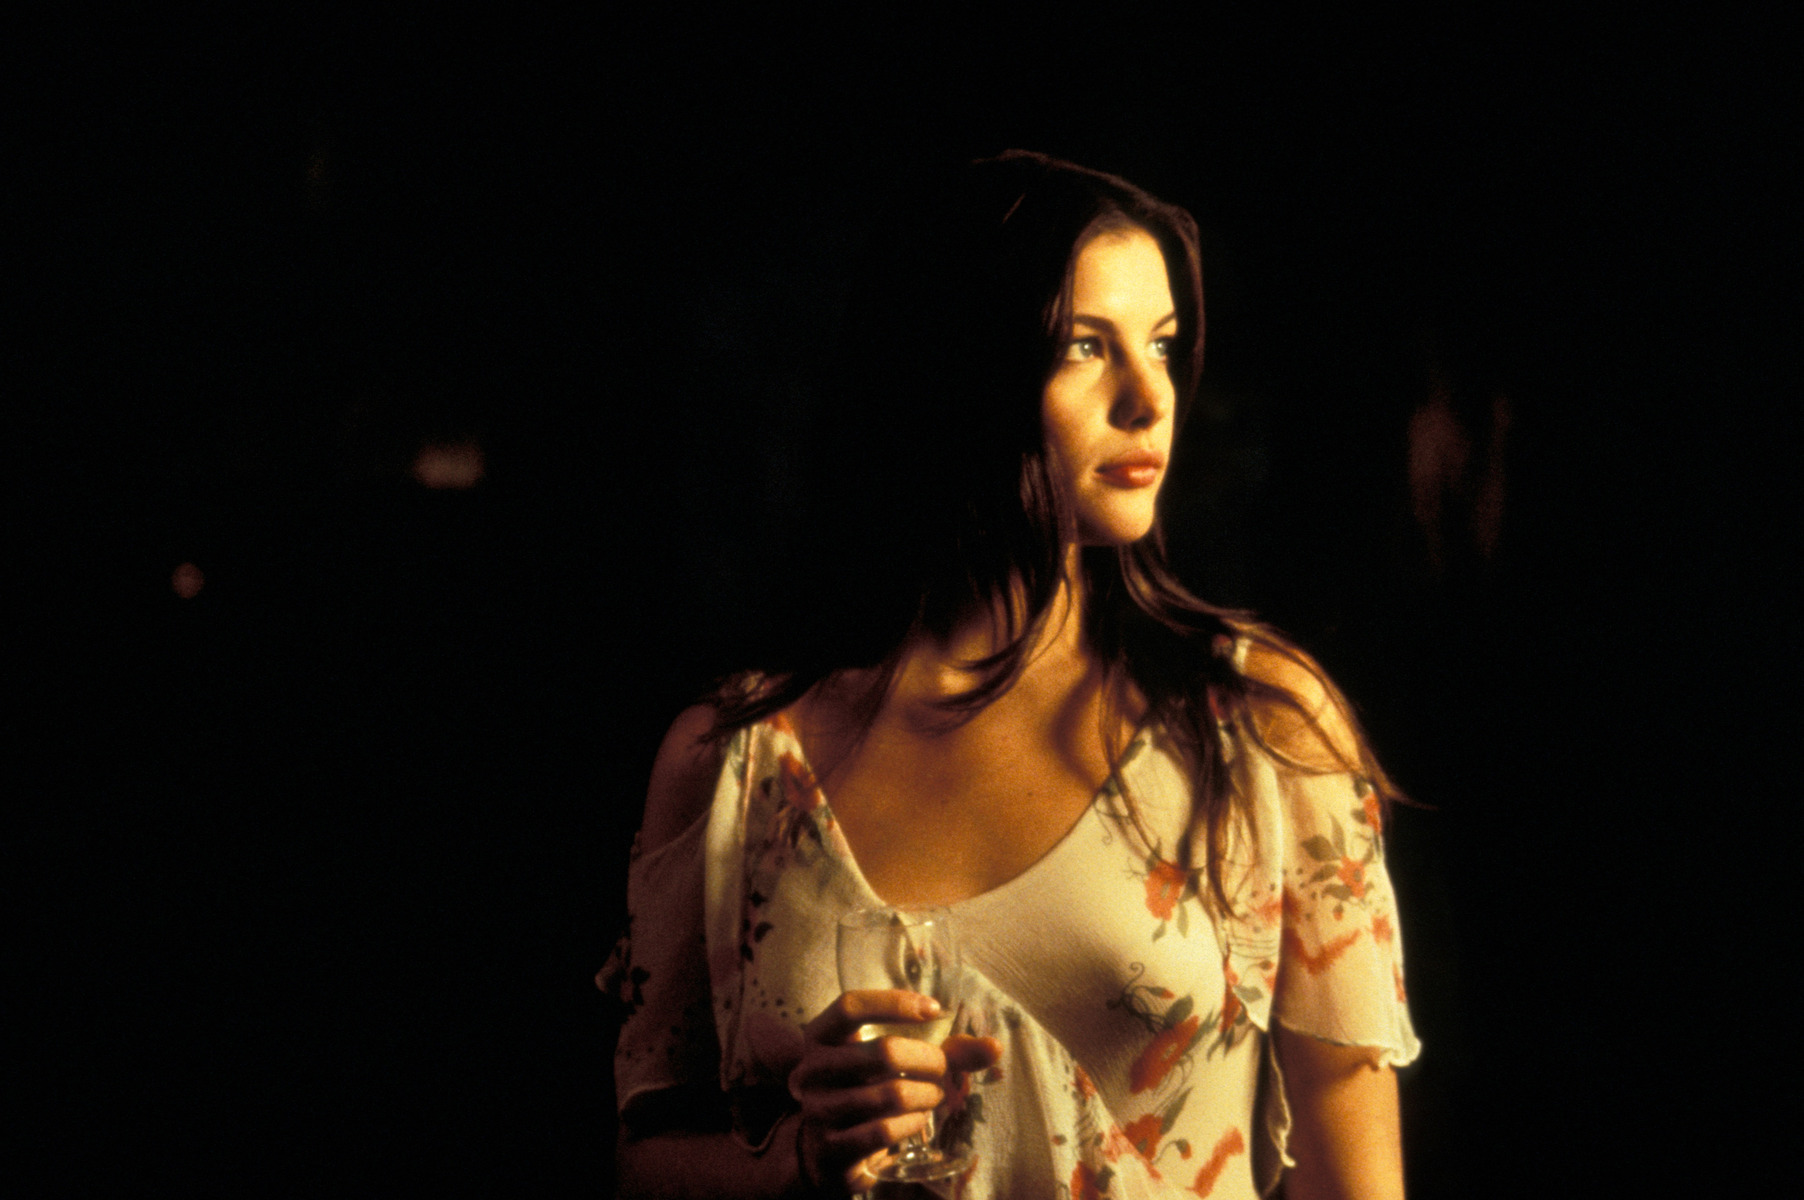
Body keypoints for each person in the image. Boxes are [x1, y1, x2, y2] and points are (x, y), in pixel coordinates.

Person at [602, 150, 1418, 1199]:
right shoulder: (735, 763)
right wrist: (801, 1157)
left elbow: (1359, 1184)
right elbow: (643, 1159)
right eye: (1085, 346)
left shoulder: (1256, 727)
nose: (1149, 400)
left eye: (1162, 345)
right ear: (955, 371)